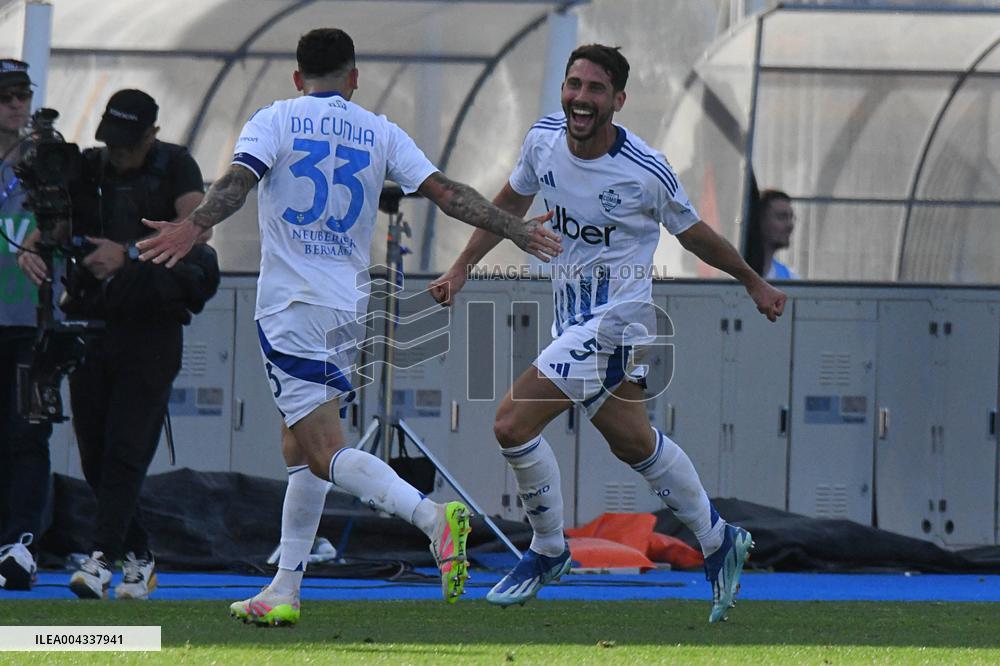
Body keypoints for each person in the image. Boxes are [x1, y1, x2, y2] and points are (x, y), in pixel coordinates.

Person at [136, 27, 561, 626]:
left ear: (296, 76)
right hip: (347, 310)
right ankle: (284, 589)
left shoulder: (276, 117)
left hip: (292, 306)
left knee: (323, 450)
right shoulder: (379, 130)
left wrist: (196, 224)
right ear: (354, 77)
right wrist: (512, 227)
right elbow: (445, 192)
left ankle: (432, 518)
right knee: (298, 448)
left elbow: (237, 181)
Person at [430, 44, 787, 623]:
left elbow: (693, 232)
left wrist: (751, 280)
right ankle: (719, 538)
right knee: (634, 443)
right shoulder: (543, 140)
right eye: (574, 85)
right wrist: (463, 264)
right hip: (570, 321)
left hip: (617, 323)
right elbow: (510, 201)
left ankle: (548, 550)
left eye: (596, 89)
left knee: (510, 422)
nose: (580, 98)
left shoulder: (645, 170)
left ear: (618, 100)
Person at [18, 89, 219, 600]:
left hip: (152, 324)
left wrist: (128, 253)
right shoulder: (85, 167)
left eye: (129, 143)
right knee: (93, 452)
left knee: (128, 448)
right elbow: (54, 225)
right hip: (92, 321)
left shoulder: (176, 166)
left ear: (152, 134)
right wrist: (36, 248)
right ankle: (140, 556)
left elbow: (199, 230)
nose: (119, 152)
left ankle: (101, 558)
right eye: (112, 141)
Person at [0, 59, 52, 592]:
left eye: (23, 94)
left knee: (27, 434)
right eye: (6, 96)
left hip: (30, 319)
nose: (17, 104)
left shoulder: (47, 161)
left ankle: (19, 544)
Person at [744, 188, 799, 279]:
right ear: (759, 221)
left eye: (792, 217)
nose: (790, 225)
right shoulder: (732, 273)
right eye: (781, 217)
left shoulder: (790, 277)